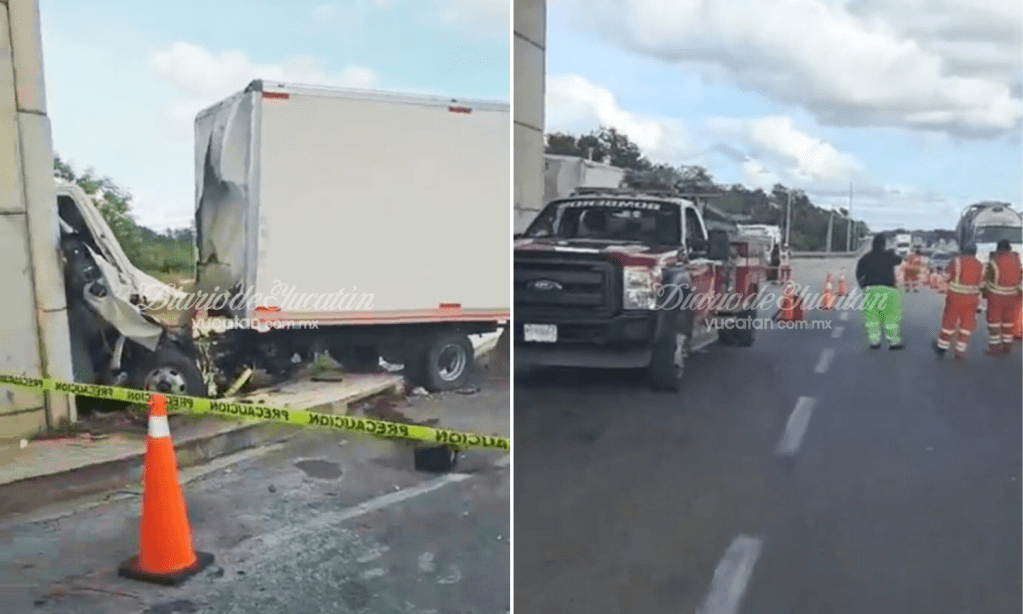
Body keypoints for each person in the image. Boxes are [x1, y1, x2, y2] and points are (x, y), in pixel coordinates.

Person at [932, 244, 983, 360]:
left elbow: (945, 277)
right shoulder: (980, 264)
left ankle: (942, 348)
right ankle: (960, 351)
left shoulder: (957, 261)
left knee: (949, 323)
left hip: (955, 298)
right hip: (972, 299)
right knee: (967, 324)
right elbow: (982, 283)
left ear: (963, 251)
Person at [856, 233, 904, 349]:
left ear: (873, 244)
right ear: (884, 245)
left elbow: (859, 274)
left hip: (870, 290)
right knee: (890, 316)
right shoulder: (889, 256)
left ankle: (874, 342)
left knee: (871, 317)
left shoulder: (865, 258)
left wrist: (863, 286)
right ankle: (893, 342)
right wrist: (892, 252)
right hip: (888, 289)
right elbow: (899, 260)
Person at [982, 239, 1022, 356]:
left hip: (996, 296)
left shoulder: (994, 260)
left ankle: (994, 348)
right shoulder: (1016, 260)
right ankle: (1007, 346)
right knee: (1008, 322)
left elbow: (987, 279)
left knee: (994, 322)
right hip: (1012, 296)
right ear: (1009, 248)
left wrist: (985, 293)